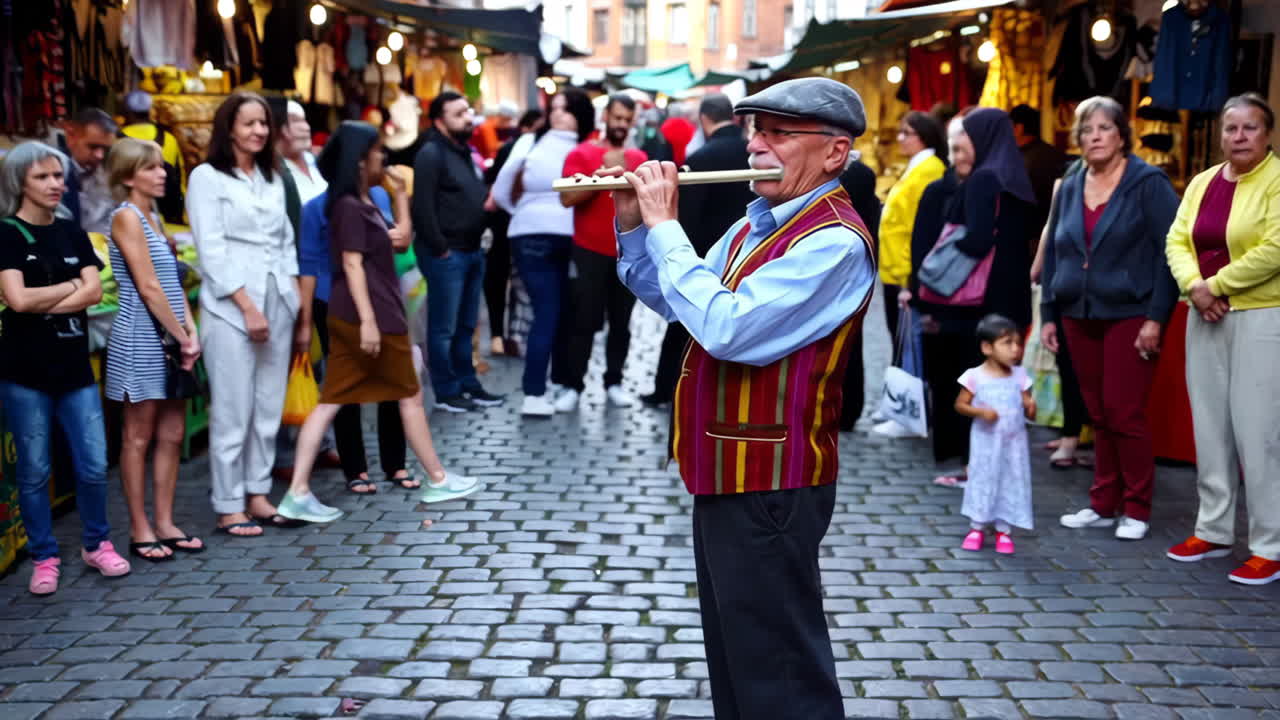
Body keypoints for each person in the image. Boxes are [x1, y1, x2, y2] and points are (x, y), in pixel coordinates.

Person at [614, 77, 876, 720]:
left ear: (835, 153)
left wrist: (667, 227)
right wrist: (633, 228)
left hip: (773, 481)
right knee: (737, 658)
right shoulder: (753, 224)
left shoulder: (834, 242)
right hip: (728, 472)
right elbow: (683, 303)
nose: (755, 146)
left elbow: (729, 329)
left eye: (777, 134)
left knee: (781, 671)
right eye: (755, 130)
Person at [288, 122, 482, 508]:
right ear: (360, 161)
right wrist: (370, 322)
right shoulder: (347, 206)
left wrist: (399, 197)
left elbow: (400, 241)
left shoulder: (363, 201)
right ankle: (437, 477)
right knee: (407, 394)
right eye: (377, 150)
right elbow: (352, 264)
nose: (384, 157)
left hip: (366, 311)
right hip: (372, 312)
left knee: (335, 401)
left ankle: (298, 491)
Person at [1041, 96, 1180, 542]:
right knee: (1097, 413)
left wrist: (1156, 318)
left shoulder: (1148, 183)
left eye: (1103, 128)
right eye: (1086, 130)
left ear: (1122, 134)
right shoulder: (1071, 180)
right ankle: (1103, 502)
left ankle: (1136, 507)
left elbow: (1170, 253)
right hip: (1077, 314)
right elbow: (1057, 250)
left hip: (1131, 313)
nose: (1094, 136)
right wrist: (1048, 313)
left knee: (1125, 412)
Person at [187, 92, 321, 535]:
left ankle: (258, 492)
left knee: (267, 405)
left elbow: (286, 243)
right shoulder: (207, 178)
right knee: (232, 407)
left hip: (278, 299)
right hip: (230, 308)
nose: (259, 131)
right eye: (249, 124)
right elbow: (211, 249)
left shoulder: (273, 177)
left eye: (264, 123)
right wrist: (247, 306)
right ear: (229, 129)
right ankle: (228, 503)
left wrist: (293, 305)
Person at [0, 141, 130, 593]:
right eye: (43, 177)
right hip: (24, 374)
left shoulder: (72, 232)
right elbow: (15, 300)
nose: (56, 184)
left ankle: (97, 543)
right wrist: (68, 286)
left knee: (93, 465)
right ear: (20, 182)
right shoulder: (8, 234)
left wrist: (43, 300)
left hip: (74, 370)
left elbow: (94, 293)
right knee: (35, 469)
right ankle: (44, 556)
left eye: (59, 176)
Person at [1164, 93, 1280, 585]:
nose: (1239, 137)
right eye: (1231, 129)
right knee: (1209, 427)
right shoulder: (1202, 182)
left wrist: (1218, 284)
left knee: (1259, 433)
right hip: (1203, 314)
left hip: (1262, 316)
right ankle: (1212, 529)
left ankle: (1269, 543)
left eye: (1250, 128)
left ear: (1268, 134)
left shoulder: (1276, 181)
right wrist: (1195, 286)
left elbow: (1275, 247)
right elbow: (1176, 239)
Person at [912, 108, 1034, 480]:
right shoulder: (1015, 177)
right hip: (1013, 297)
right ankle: (991, 465)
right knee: (1000, 384)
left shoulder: (983, 179)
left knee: (974, 384)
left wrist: (944, 256)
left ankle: (973, 466)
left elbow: (979, 238)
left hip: (979, 303)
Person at [103, 138, 204, 561]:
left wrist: (190, 331)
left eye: (162, 167)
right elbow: (147, 287)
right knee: (138, 435)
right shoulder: (126, 217)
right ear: (128, 176)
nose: (162, 174)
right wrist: (181, 335)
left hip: (170, 334)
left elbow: (174, 281)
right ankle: (140, 526)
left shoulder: (155, 217)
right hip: (140, 336)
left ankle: (164, 520)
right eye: (151, 168)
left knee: (171, 433)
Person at [298, 172, 417, 494]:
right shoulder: (314, 208)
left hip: (381, 297)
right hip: (334, 302)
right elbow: (307, 266)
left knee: (392, 381)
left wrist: (402, 196)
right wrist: (306, 320)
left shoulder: (378, 196)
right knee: (345, 384)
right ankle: (356, 469)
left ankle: (396, 464)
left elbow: (400, 240)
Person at [643, 95, 753, 408]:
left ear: (704, 119)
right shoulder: (751, 153)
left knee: (684, 321)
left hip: (705, 252)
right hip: (748, 252)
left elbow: (685, 217)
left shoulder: (703, 156)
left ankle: (668, 389)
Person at [492, 89, 595, 417]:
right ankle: (535, 391)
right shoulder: (533, 141)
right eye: (556, 108)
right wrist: (522, 212)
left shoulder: (582, 146)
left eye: (566, 109)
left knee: (561, 312)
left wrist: (521, 212)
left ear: (579, 113)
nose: (558, 114)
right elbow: (500, 187)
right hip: (545, 235)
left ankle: (553, 384)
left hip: (559, 236)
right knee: (550, 312)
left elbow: (502, 190)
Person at [413, 91, 505, 413]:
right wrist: (440, 249)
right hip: (447, 254)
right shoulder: (430, 154)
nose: (468, 117)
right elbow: (422, 207)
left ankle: (468, 384)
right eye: (458, 113)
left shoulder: (464, 151)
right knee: (443, 328)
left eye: (467, 110)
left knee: (467, 325)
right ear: (439, 121)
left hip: (471, 250)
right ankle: (446, 390)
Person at [556, 94, 647, 412]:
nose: (621, 124)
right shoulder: (581, 153)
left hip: (629, 251)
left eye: (627, 119)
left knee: (622, 322)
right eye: (617, 117)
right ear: (605, 116)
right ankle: (572, 385)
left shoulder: (638, 156)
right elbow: (566, 200)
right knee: (583, 319)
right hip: (589, 249)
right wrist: (602, 173)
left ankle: (614, 381)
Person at [953, 314, 1035, 554]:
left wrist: (1031, 407)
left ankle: (1003, 529)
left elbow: (1029, 408)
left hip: (1013, 445)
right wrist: (979, 412)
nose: (1015, 349)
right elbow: (960, 404)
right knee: (983, 480)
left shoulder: (1020, 376)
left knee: (1009, 481)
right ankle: (977, 526)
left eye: (1018, 343)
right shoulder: (974, 376)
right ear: (987, 347)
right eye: (1007, 343)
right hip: (986, 443)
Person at [879, 112, 947, 342]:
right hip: (896, 270)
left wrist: (909, 278)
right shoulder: (917, 167)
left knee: (908, 345)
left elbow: (920, 226)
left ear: (924, 137)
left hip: (906, 273)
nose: (900, 138)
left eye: (906, 133)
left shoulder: (929, 170)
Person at [484, 109, 543, 358]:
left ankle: (508, 335)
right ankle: (504, 334)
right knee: (503, 278)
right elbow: (497, 183)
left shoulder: (525, 150)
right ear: (527, 127)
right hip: (506, 221)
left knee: (508, 279)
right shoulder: (513, 149)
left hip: (517, 222)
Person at [838, 152, 882, 430]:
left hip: (843, 262)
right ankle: (851, 406)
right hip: (859, 264)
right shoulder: (864, 173)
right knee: (852, 339)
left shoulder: (847, 176)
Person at [119, 90, 186, 224]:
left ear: (126, 112)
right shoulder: (169, 139)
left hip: (128, 216)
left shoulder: (117, 140)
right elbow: (180, 179)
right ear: (150, 111)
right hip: (167, 217)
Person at [1010, 104, 1068, 255]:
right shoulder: (1056, 155)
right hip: (1057, 236)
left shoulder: (1015, 161)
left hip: (1026, 241)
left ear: (1019, 128)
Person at [57, 107, 117, 234]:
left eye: (105, 149)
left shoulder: (110, 170)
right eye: (93, 147)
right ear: (70, 136)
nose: (99, 155)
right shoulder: (51, 172)